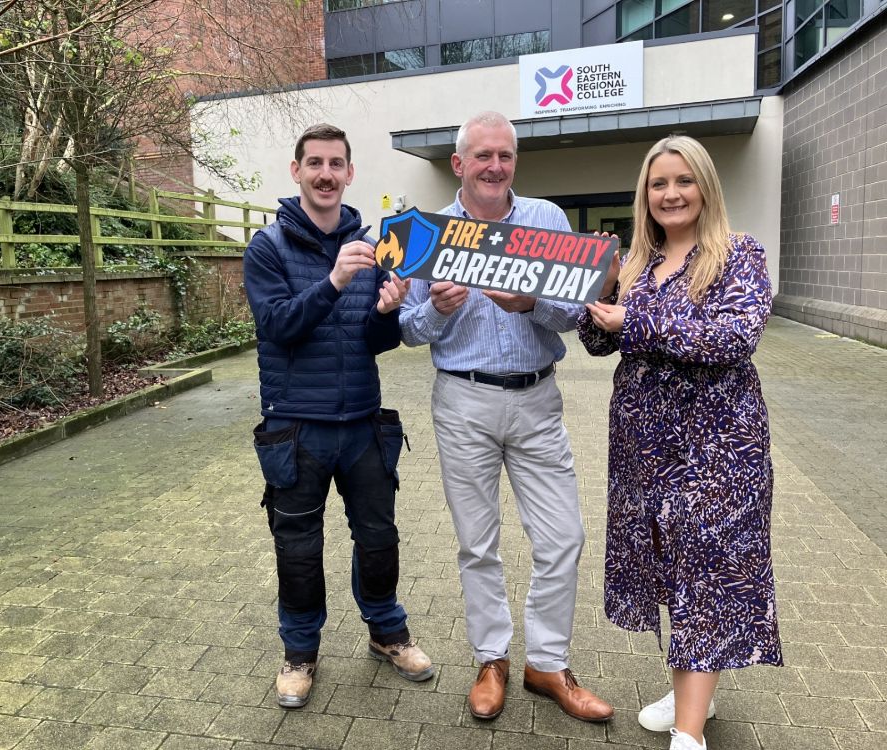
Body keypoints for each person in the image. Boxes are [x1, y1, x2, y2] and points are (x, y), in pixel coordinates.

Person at [399, 111, 615, 723]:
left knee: (563, 536)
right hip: (462, 400)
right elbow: (409, 330)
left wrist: (533, 304)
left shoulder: (545, 220)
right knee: (477, 543)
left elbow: (577, 315)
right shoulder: (429, 231)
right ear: (458, 164)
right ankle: (490, 659)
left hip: (538, 399)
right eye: (483, 155)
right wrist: (438, 310)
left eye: (506, 155)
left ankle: (546, 663)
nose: (496, 166)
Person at [578, 135, 782, 750]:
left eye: (683, 180)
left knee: (708, 574)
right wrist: (606, 293)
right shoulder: (638, 263)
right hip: (645, 448)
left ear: (705, 188)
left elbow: (732, 340)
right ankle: (692, 693)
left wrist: (634, 319)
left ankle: (690, 732)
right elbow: (598, 343)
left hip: (718, 449)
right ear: (645, 194)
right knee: (672, 570)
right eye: (658, 183)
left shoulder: (738, 254)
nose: (670, 193)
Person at [244, 123, 433, 709]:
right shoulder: (267, 248)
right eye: (315, 163)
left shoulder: (376, 248)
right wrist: (333, 281)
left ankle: (387, 633)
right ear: (296, 170)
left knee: (378, 537)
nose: (326, 174)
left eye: (337, 164)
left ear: (350, 173)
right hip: (295, 428)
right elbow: (278, 326)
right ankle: (300, 651)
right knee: (296, 545)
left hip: (362, 422)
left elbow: (374, 340)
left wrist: (387, 312)